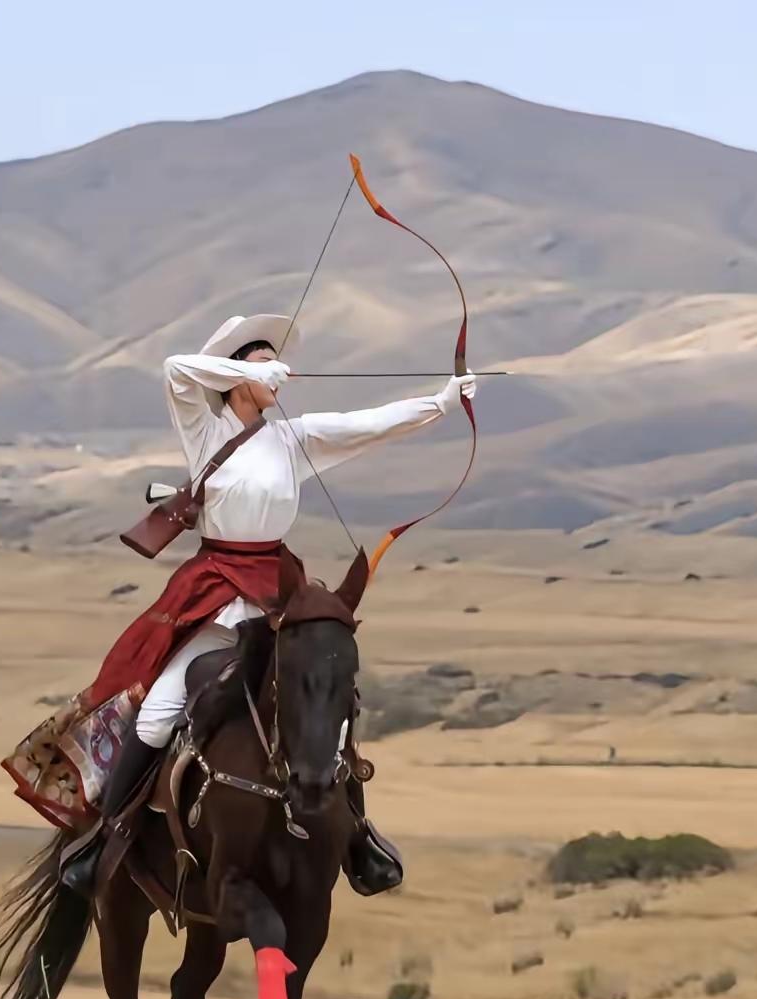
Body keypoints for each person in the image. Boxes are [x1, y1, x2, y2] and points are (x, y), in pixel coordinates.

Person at [52, 312, 477, 896]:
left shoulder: (292, 438)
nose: (278, 377)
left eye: (275, 367)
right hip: (215, 591)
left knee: (329, 700)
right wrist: (242, 367)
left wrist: (442, 402)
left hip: (278, 592)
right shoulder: (204, 428)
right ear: (234, 378)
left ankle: (359, 836)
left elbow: (368, 424)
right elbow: (177, 368)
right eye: (263, 367)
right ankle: (107, 834)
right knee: (156, 713)